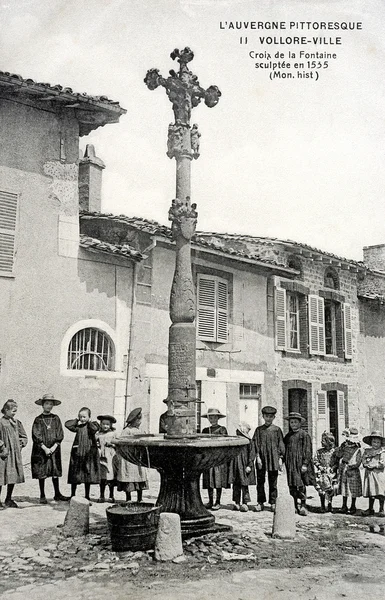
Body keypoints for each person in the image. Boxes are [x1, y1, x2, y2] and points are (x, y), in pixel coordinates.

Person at [31, 393, 68, 504]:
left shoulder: (56, 418)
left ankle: (57, 493)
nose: (49, 406)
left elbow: (60, 434)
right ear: (42, 405)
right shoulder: (38, 419)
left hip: (54, 449)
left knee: (54, 470)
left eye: (51, 404)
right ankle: (42, 495)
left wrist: (54, 447)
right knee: (42, 471)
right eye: (47, 403)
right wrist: (45, 448)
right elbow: (36, 435)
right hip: (41, 450)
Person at [252, 405, 285, 512]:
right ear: (263, 416)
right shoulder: (259, 430)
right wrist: (257, 457)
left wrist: (280, 458)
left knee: (273, 482)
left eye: (271, 416)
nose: (268, 418)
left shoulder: (277, 430)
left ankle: (273, 502)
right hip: (261, 458)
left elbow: (281, 444)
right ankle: (260, 502)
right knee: (260, 481)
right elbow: (255, 444)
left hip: (273, 458)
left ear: (274, 417)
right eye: (266, 416)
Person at [113, 407, 148, 503]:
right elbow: (122, 442)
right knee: (129, 478)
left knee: (139, 478)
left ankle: (139, 498)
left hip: (138, 458)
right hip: (129, 458)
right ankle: (128, 498)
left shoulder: (140, 430)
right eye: (139, 420)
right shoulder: (127, 430)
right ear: (135, 420)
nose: (140, 422)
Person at [283, 412, 315, 516]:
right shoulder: (288, 436)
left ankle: (303, 504)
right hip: (290, 464)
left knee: (300, 484)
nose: (293, 424)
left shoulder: (304, 435)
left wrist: (305, 464)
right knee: (291, 484)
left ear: (300, 423)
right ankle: (294, 505)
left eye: (295, 422)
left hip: (300, 464)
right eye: (291, 422)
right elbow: (284, 450)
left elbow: (308, 450)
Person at [65, 407, 100, 500]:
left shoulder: (93, 425)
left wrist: (89, 422)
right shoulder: (78, 427)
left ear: (89, 417)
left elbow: (95, 429)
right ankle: (73, 495)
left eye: (84, 417)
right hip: (78, 454)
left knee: (87, 475)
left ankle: (87, 495)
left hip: (88, 454)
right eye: (80, 417)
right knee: (74, 475)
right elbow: (68, 425)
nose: (82, 419)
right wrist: (76, 420)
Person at [0, 400, 28, 508]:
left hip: (14, 455)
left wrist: (21, 444)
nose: (14, 413)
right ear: (6, 410)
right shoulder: (0, 422)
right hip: (3, 455)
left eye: (15, 411)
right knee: (1, 477)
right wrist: (2, 447)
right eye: (12, 411)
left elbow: (24, 436)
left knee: (13, 476)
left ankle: (8, 498)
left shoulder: (16, 422)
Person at [201, 407, 230, 510]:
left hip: (218, 459)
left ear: (218, 418)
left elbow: (225, 443)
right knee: (209, 480)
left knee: (218, 480)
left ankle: (218, 501)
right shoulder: (205, 430)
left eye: (214, 417)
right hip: (208, 458)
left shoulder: (222, 430)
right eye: (210, 417)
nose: (212, 419)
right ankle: (210, 501)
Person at [331, 427, 362, 515]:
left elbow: (359, 460)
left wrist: (353, 466)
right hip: (344, 468)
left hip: (353, 470)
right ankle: (344, 505)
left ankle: (353, 506)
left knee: (353, 489)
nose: (350, 442)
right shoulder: (344, 446)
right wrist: (341, 448)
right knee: (344, 488)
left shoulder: (358, 449)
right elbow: (339, 455)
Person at [228, 422, 256, 512]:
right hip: (236, 465)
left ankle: (245, 502)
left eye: (239, 432)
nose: (237, 433)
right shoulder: (235, 442)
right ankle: (236, 502)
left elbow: (252, 455)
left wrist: (249, 465)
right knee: (236, 484)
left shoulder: (249, 442)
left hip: (244, 465)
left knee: (244, 484)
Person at [361, 430, 385, 517]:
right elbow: (363, 460)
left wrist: (374, 465)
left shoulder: (382, 452)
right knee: (371, 491)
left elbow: (382, 464)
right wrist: (365, 464)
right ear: (371, 442)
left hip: (379, 475)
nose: (376, 444)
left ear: (381, 443)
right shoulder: (367, 451)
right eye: (374, 442)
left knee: (380, 491)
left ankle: (381, 509)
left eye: (378, 442)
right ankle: (370, 509)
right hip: (370, 474)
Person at [314, 431, 337, 513]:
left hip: (331, 474)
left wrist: (332, 468)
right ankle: (322, 504)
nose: (321, 442)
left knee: (330, 490)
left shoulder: (334, 452)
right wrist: (320, 467)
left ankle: (330, 503)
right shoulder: (319, 452)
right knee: (321, 490)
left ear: (329, 442)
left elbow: (336, 462)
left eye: (323, 440)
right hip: (322, 473)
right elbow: (315, 460)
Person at [96, 414, 117, 503]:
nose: (105, 426)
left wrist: (112, 444)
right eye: (103, 424)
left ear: (111, 425)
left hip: (110, 456)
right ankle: (101, 495)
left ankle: (111, 496)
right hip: (101, 457)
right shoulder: (98, 434)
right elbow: (96, 443)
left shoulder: (113, 434)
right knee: (102, 477)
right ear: (100, 424)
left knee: (110, 477)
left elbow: (117, 444)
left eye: (107, 424)